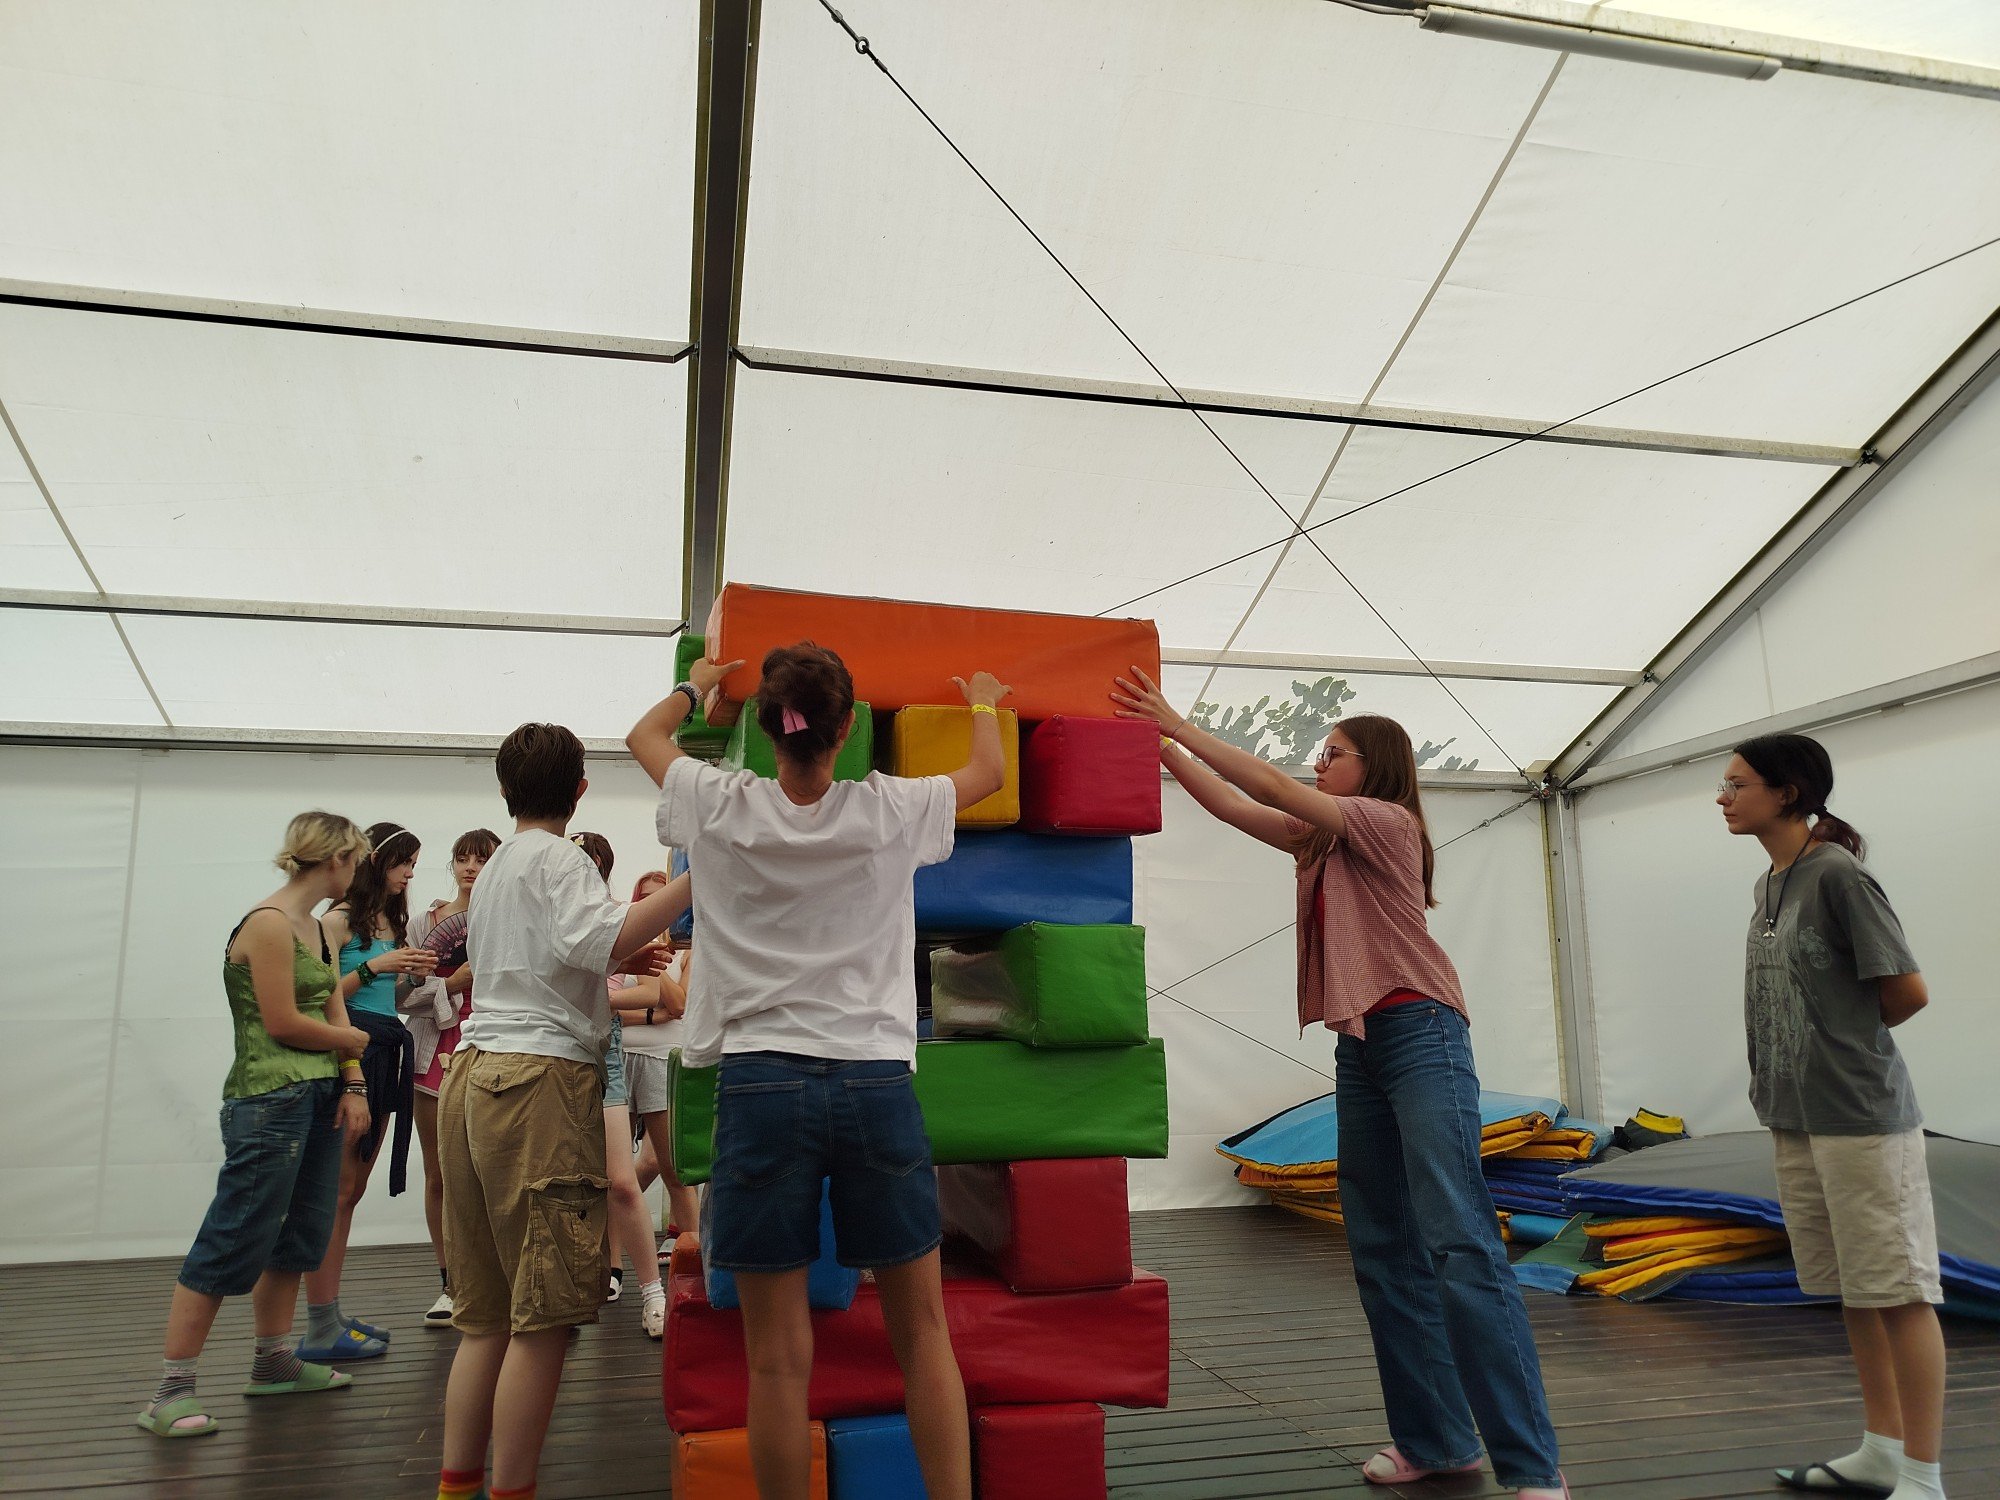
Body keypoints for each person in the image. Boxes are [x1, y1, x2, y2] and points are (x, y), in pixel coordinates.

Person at [1111, 669, 1569, 1500]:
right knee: (1384, 1247)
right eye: (1320, 754)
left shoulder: (1388, 822)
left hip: (1423, 1034)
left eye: (1335, 754)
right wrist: (1164, 748)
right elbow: (1234, 806)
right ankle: (1437, 1442)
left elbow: (1268, 783)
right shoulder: (1319, 840)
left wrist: (1175, 721)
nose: (1319, 764)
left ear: (1375, 767)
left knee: (1459, 1242)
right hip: (1361, 1047)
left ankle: (1534, 1466)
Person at [629, 644, 1007, 1500]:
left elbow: (644, 736)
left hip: (761, 1083)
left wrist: (697, 687)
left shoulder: (718, 800)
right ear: (845, 731)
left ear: (770, 729)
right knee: (923, 1335)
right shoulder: (889, 808)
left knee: (774, 1359)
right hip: (875, 1083)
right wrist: (982, 701)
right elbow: (987, 773)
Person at [432, 723, 687, 1500]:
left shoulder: (498, 867)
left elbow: (556, 953)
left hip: (472, 1074)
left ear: (503, 789)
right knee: (542, 1319)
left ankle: (457, 1486)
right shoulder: (561, 857)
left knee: (484, 1319)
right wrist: (700, 872)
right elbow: (603, 932)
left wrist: (617, 952)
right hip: (535, 1085)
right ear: (580, 789)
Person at [1718, 735, 1945, 1500]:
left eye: (1738, 784)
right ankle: (1881, 1450)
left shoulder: (1840, 876)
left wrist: (1844, 1044)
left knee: (1900, 1290)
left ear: (1786, 792)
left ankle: (1924, 1476)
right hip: (1794, 1115)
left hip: (1861, 1118)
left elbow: (1906, 991)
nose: (1723, 797)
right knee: (1855, 1286)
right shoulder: (1768, 884)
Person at [137, 812, 376, 1437]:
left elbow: (333, 1006)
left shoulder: (320, 928)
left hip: (319, 1096)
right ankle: (170, 1390)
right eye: (355, 860)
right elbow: (282, 1022)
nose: (356, 872)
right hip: (269, 1099)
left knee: (301, 1231)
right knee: (234, 1234)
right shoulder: (267, 924)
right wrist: (351, 1041)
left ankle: (273, 1361)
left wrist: (353, 1082)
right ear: (335, 859)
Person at [303, 821, 437, 1361]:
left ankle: (328, 1313)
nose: (409, 874)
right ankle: (319, 1322)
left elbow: (393, 999)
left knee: (351, 1192)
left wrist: (413, 975)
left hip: (383, 1051)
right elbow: (321, 995)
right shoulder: (335, 922)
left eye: (414, 864)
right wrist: (377, 965)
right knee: (336, 1193)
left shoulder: (390, 922)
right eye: (403, 862)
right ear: (375, 862)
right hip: (351, 1055)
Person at [569, 833, 669, 1339]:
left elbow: (658, 992)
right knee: (562, 1180)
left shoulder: (616, 918)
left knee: (624, 1179)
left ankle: (653, 1293)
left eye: (590, 861)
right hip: (554, 1052)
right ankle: (578, 1284)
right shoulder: (550, 914)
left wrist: (604, 991)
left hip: (606, 1051)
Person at [407, 828, 499, 1328]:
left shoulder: (507, 917)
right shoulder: (426, 922)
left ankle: (492, 1276)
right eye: (463, 859)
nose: (471, 868)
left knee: (492, 1171)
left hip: (492, 1049)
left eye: (481, 860)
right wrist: (452, 985)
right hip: (433, 1052)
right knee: (438, 1172)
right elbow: (403, 996)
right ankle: (450, 1282)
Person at [614, 866, 703, 1308]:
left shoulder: (688, 948)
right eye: (643, 898)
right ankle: (610, 1267)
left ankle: (695, 1261)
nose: (651, 905)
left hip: (664, 1059)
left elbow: (680, 1004)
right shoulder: (623, 949)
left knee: (674, 1168)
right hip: (620, 1055)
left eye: (660, 897)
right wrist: (651, 1011)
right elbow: (608, 1006)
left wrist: (654, 974)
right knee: (616, 1169)